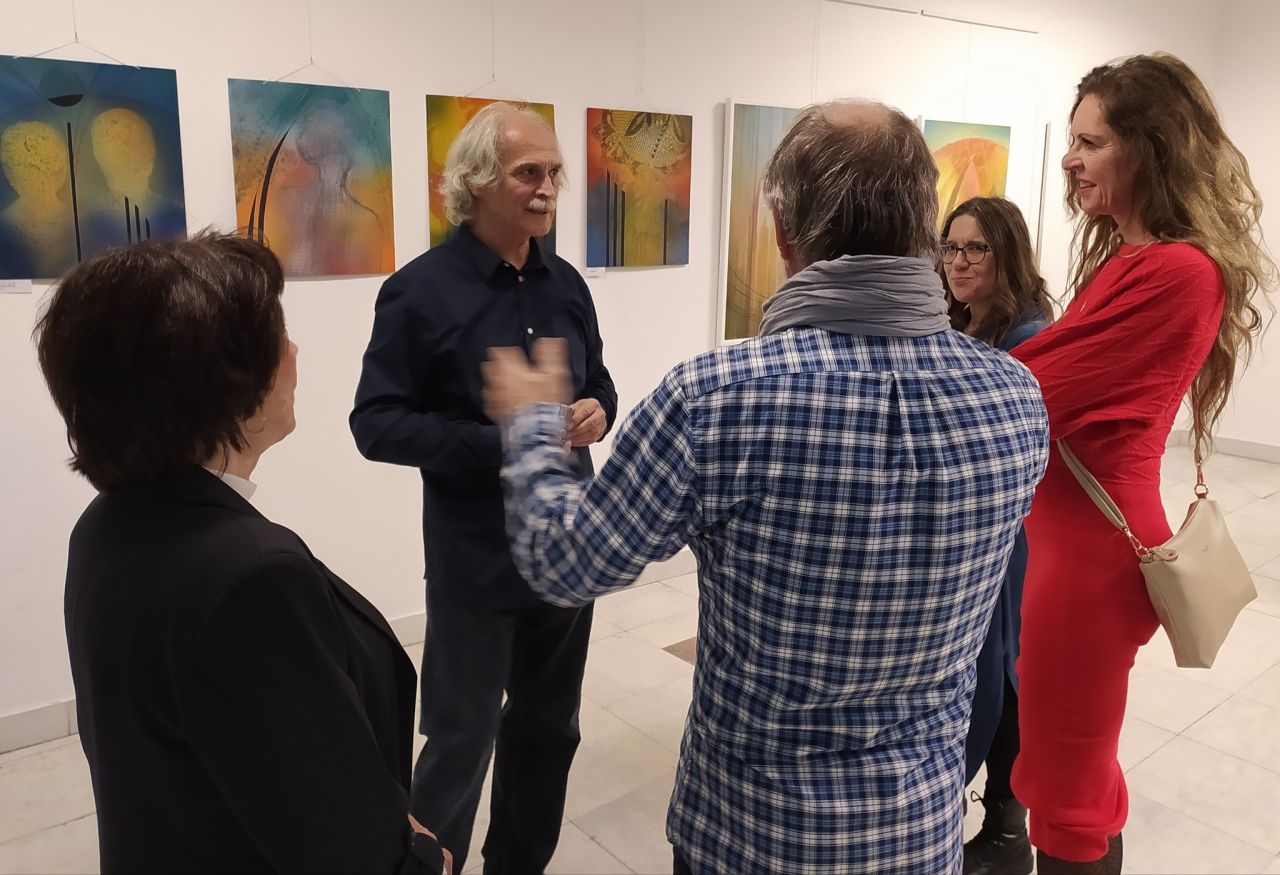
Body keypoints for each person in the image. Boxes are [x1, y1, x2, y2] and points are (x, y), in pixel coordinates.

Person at [481, 100, 1049, 875]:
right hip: (915, 835)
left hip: (751, 835)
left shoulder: (717, 398)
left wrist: (529, 429)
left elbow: (567, 564)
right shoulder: (1016, 398)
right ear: (927, 226)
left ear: (784, 233)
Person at [35, 233, 450, 874]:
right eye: (277, 338)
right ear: (228, 384)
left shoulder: (106, 524)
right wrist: (424, 858)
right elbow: (343, 841)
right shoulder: (250, 578)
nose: (294, 352)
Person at [1008, 52, 1275, 874]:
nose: (1069, 159)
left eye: (1090, 142)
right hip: (1068, 545)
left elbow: (1032, 388)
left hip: (1092, 561)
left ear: (1150, 147)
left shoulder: (1178, 272)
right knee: (1077, 766)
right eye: (1072, 141)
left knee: (1066, 793)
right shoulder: (1129, 257)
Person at [350, 102, 617, 874]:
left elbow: (598, 381)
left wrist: (597, 408)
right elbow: (376, 424)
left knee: (549, 730)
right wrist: (504, 440)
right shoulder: (418, 292)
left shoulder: (566, 284)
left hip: (566, 551)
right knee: (461, 737)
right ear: (475, 181)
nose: (548, 188)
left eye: (554, 172)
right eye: (528, 172)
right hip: (475, 559)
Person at [938, 196, 1055, 875]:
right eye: (950, 247)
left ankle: (1008, 827)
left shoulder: (1027, 339)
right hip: (977, 528)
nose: (958, 262)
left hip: (1011, 534)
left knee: (1004, 672)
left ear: (1006, 253)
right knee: (993, 668)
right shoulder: (964, 326)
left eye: (975, 248)